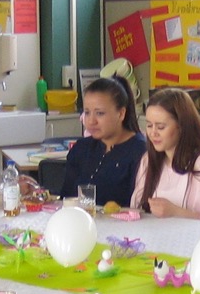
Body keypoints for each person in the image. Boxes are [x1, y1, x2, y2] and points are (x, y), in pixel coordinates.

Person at [131, 87, 200, 222]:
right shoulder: (148, 160)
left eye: (161, 127)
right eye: (149, 126)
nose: (153, 133)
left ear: (181, 126)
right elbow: (137, 209)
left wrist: (175, 212)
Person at [59, 76, 146, 207]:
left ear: (121, 114)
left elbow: (141, 207)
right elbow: (66, 198)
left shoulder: (140, 152)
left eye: (100, 113)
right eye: (87, 112)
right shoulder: (81, 148)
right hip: (80, 218)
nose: (91, 121)